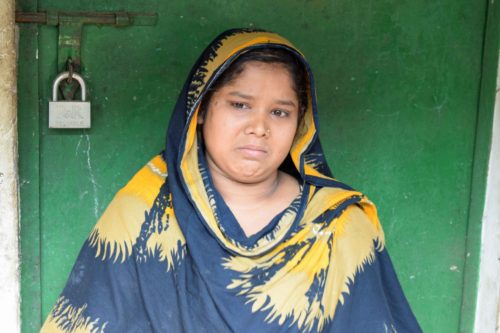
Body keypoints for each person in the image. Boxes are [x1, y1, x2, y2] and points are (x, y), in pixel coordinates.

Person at [40, 28, 422, 332]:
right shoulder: (146, 210)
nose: (259, 127)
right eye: (239, 105)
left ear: (300, 123)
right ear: (202, 108)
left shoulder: (339, 227)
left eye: (280, 112)